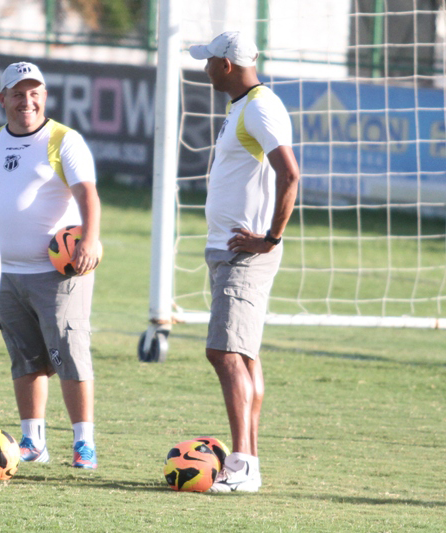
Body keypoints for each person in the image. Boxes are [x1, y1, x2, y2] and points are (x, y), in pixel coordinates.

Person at [189, 32, 300, 492]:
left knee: (224, 352)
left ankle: (242, 465)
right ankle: (248, 459)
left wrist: (269, 239)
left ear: (227, 65)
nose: (204, 68)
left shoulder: (259, 106)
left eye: (209, 60)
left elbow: (289, 173)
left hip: (243, 256)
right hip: (227, 251)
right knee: (244, 355)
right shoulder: (243, 105)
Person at [0, 62, 102, 469]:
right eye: (18, 93)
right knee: (26, 358)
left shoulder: (64, 140)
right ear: (2, 99)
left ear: (45, 97)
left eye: (35, 93)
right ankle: (33, 440)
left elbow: (88, 194)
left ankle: (84, 442)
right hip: (4, 272)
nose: (26, 101)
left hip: (59, 272)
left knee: (69, 352)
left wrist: (90, 238)